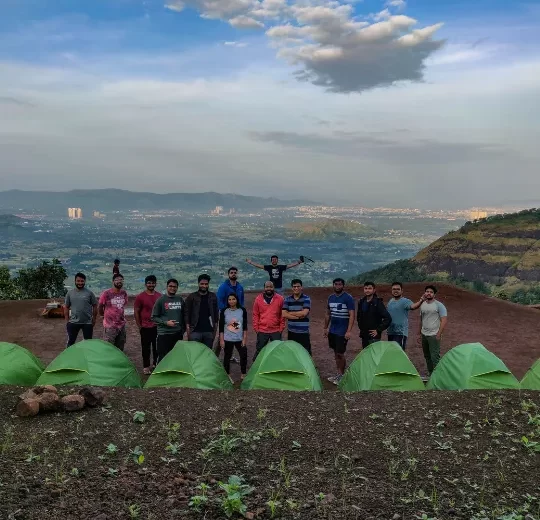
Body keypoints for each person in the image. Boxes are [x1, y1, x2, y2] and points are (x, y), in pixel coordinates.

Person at [324, 278, 355, 385]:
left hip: (342, 332)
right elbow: (328, 314)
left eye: (340, 284)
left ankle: (342, 375)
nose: (337, 286)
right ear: (333, 285)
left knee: (340, 353)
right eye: (336, 284)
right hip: (332, 331)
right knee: (335, 352)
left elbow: (351, 315)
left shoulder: (348, 298)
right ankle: (338, 373)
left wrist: (349, 331)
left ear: (343, 285)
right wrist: (325, 328)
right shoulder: (330, 298)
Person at [152, 278, 185, 364]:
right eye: (170, 286)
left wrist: (182, 329)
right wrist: (166, 322)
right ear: (167, 287)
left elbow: (184, 315)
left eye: (175, 286)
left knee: (176, 356)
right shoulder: (161, 300)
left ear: (177, 288)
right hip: (164, 334)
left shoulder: (180, 299)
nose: (172, 288)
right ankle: (160, 375)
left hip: (177, 334)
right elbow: (154, 317)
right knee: (163, 357)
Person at [418, 285, 448, 376]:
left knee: (435, 356)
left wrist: (439, 334)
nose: (428, 293)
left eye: (431, 292)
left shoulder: (439, 305)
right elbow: (421, 319)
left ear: (434, 294)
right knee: (427, 356)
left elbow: (444, 320)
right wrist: (419, 333)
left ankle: (438, 376)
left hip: (434, 335)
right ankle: (430, 373)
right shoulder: (422, 304)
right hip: (424, 334)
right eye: (427, 291)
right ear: (425, 293)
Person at [216, 267, 245, 360]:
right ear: (228, 274)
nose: (233, 274)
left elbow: (241, 301)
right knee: (223, 335)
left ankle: (230, 356)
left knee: (234, 334)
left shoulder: (240, 287)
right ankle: (216, 356)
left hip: (237, 315)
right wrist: (226, 312)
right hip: (226, 315)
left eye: (235, 273)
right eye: (231, 272)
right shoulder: (223, 287)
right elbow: (219, 301)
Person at [134, 275, 161, 374]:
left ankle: (155, 364)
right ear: (145, 284)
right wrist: (139, 325)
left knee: (156, 347)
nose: (151, 284)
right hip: (145, 327)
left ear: (155, 284)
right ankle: (146, 366)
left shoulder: (159, 296)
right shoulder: (140, 297)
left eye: (153, 283)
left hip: (156, 326)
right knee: (145, 348)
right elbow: (136, 311)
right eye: (149, 283)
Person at [219, 294, 248, 382]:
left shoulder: (242, 310)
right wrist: (221, 340)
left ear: (237, 300)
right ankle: (227, 375)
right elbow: (221, 327)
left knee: (244, 355)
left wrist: (244, 339)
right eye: (229, 299)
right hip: (228, 339)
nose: (231, 301)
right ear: (227, 301)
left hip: (239, 338)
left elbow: (245, 326)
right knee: (227, 357)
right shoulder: (224, 311)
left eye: (233, 299)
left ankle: (243, 374)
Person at [386, 281, 424, 350]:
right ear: (391, 290)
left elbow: (413, 306)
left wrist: (421, 301)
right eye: (394, 289)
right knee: (391, 353)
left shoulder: (405, 301)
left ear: (402, 291)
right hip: (390, 332)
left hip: (400, 333)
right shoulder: (390, 301)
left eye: (398, 289)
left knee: (399, 354)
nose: (396, 291)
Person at [252, 281, 285, 360]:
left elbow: (282, 315)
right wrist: (257, 329)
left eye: (271, 287)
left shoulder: (280, 299)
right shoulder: (258, 299)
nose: (269, 288)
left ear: (273, 288)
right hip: (262, 330)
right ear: (264, 288)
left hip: (276, 330)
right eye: (267, 287)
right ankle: (256, 368)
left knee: (277, 351)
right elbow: (255, 315)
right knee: (260, 351)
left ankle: (277, 368)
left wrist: (281, 328)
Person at [185, 274, 219, 349]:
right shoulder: (192, 297)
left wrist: (214, 331)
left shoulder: (213, 296)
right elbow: (187, 314)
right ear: (198, 284)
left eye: (206, 284)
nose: (204, 286)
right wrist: (188, 331)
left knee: (206, 354)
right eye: (202, 284)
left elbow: (216, 315)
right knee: (194, 353)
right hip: (195, 331)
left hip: (209, 331)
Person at [64, 272, 98, 347]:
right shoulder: (70, 293)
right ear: (75, 281)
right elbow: (66, 306)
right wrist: (67, 320)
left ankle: (87, 357)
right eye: (78, 281)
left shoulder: (89, 293)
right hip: (73, 322)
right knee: (71, 342)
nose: (80, 283)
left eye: (82, 281)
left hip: (87, 323)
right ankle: (69, 357)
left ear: (85, 281)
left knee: (88, 343)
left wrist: (94, 319)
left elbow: (95, 305)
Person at [357, 281, 392, 349]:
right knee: (366, 354)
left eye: (370, 288)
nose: (367, 290)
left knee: (374, 355)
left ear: (374, 290)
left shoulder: (377, 303)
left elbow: (388, 318)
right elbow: (359, 317)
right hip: (364, 335)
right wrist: (361, 328)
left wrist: (378, 330)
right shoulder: (361, 301)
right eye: (366, 288)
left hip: (373, 336)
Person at [99, 273, 129, 351]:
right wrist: (103, 315)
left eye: (121, 280)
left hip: (121, 325)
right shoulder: (106, 293)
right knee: (109, 347)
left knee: (120, 346)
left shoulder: (124, 293)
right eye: (117, 280)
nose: (119, 281)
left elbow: (122, 306)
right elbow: (100, 305)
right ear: (113, 282)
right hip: (110, 326)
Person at [282, 278, 312, 354]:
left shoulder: (306, 299)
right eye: (294, 286)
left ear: (301, 287)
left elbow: (304, 313)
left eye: (298, 286)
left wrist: (290, 313)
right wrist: (299, 316)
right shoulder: (287, 299)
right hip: (291, 332)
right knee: (293, 353)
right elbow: (284, 314)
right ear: (292, 288)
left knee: (306, 352)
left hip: (303, 332)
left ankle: (308, 366)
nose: (296, 288)